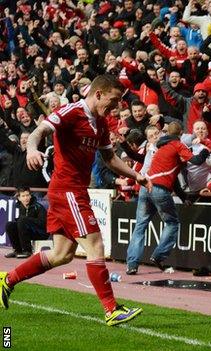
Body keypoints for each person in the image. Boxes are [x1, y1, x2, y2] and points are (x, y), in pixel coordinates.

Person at [0, 75, 152, 326]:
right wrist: (31, 148)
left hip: (72, 190)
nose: (115, 107)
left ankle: (7, 280)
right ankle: (111, 309)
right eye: (113, 101)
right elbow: (41, 130)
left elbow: (109, 159)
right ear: (99, 94)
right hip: (67, 190)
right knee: (95, 245)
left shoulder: (101, 124)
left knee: (61, 254)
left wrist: (137, 175)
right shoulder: (71, 111)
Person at [126, 121, 211, 275]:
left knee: (140, 226)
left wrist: (183, 197)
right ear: (180, 134)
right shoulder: (177, 145)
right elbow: (196, 161)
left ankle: (132, 264)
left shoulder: (161, 148)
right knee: (172, 223)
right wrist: (205, 151)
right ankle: (158, 256)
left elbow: (172, 180)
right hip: (159, 189)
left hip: (146, 187)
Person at [4, 187, 48, 259]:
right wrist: (24, 221)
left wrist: (27, 220)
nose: (26, 198)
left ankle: (27, 251)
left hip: (41, 233)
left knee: (22, 220)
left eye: (27, 195)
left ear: (30, 196)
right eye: (23, 196)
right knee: (10, 225)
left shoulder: (38, 207)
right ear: (19, 198)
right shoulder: (21, 207)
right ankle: (18, 250)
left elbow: (43, 224)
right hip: (28, 232)